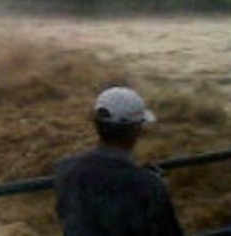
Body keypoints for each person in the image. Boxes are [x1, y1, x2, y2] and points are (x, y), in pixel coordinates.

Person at [54, 87, 183, 236]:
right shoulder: (148, 186)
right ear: (135, 129)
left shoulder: (65, 170)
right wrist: (153, 185)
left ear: (96, 123)